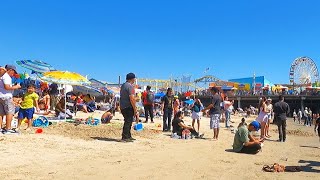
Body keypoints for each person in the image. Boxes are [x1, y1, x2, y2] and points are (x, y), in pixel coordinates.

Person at [0, 65, 21, 134]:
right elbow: (7, 87)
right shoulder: (6, 76)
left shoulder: (1, 76)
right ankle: (8, 129)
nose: (14, 74)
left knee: (1, 113)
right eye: (14, 72)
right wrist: (16, 86)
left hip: (1, 96)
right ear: (11, 70)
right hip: (7, 97)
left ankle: (0, 129)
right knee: (10, 112)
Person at [120, 73, 138, 142]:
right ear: (132, 79)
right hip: (128, 106)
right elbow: (131, 98)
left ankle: (128, 135)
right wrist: (135, 108)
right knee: (128, 121)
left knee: (128, 121)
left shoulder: (123, 85)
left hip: (123, 106)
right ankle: (125, 137)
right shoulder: (130, 86)